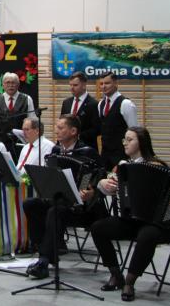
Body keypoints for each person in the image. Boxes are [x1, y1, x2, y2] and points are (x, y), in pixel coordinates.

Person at [90, 127, 170, 301]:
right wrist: (103, 183)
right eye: (124, 139)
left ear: (141, 143)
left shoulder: (158, 166)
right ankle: (116, 274)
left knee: (147, 235)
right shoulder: (123, 167)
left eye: (129, 139)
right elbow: (106, 188)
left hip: (159, 224)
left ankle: (130, 282)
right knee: (98, 228)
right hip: (131, 220)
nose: (124, 143)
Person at [23, 115, 106, 279]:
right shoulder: (56, 151)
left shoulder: (87, 152)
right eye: (57, 127)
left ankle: (44, 260)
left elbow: (102, 177)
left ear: (73, 131)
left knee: (54, 211)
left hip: (82, 207)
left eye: (61, 128)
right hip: (59, 201)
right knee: (30, 204)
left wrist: (92, 191)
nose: (56, 131)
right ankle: (45, 249)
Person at [0, 72, 37, 157]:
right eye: (8, 82)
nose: (10, 85)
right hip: (0, 143)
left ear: (18, 85)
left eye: (13, 83)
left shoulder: (27, 99)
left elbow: (33, 121)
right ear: (3, 85)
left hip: (21, 143)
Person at [97, 71, 138, 170]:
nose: (103, 86)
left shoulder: (126, 104)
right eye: (101, 84)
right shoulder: (100, 104)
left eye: (107, 83)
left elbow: (135, 132)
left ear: (116, 83)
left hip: (122, 154)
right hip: (105, 155)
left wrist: (131, 157)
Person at [60, 71, 100, 149]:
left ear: (84, 85)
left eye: (75, 85)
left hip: (86, 147)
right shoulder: (66, 102)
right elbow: (61, 123)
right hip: (67, 147)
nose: (72, 88)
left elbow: (97, 129)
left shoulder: (93, 104)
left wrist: (77, 135)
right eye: (70, 85)